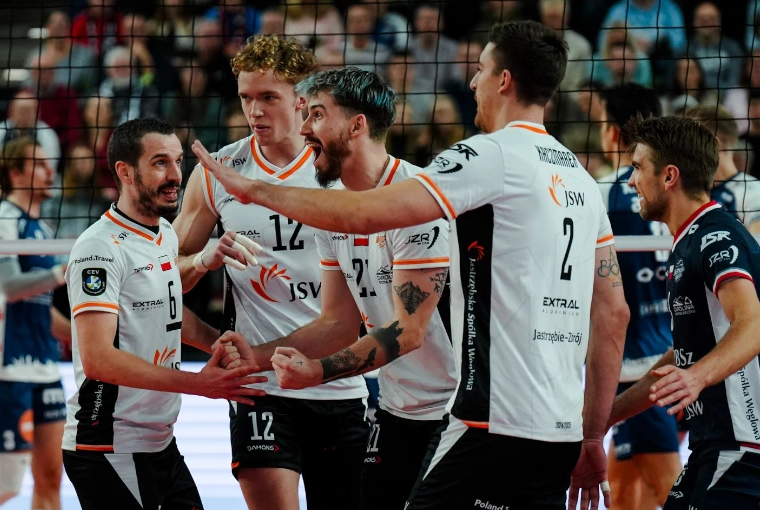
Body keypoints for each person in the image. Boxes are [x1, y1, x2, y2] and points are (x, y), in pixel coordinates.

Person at [195, 20, 630, 510]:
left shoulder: (487, 157)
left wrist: (255, 190)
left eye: (481, 69)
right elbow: (614, 313)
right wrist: (592, 434)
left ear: (504, 80)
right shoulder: (579, 177)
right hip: (554, 427)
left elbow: (368, 219)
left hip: (485, 415)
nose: (472, 82)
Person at [216, 67, 458, 510]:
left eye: (317, 115)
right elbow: (337, 324)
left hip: (453, 412)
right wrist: (257, 357)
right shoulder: (335, 213)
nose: (304, 128)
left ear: (357, 125)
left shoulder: (416, 201)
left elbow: (408, 332)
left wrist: (317, 371)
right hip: (397, 410)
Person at [173, 35, 370, 510]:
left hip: (336, 378)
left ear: (302, 100)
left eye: (268, 97)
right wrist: (202, 261)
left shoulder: (341, 169)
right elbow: (160, 277)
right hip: (259, 386)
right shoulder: (218, 170)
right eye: (246, 98)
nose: (254, 111)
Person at [60, 118, 267, 510]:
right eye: (160, 163)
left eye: (177, 161)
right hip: (109, 445)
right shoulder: (98, 249)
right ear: (125, 172)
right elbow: (98, 359)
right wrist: (199, 384)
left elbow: (167, 312)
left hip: (159, 442)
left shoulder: (164, 234)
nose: (175, 175)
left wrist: (222, 346)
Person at [609, 114, 760, 508]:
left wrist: (697, 377)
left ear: (669, 176)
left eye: (638, 168)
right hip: (712, 446)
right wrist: (603, 419)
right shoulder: (688, 241)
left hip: (743, 450)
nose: (631, 181)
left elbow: (754, 323)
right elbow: (684, 354)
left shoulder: (715, 236)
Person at [0, 137, 72, 510]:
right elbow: (11, 286)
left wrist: (85, 335)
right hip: (4, 368)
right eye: (39, 164)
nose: (50, 171)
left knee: (51, 479)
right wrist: (61, 272)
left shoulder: (43, 230)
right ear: (15, 173)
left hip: (44, 367)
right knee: (6, 485)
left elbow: (40, 309)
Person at [596, 84, 681, 510]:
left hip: (634, 367)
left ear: (612, 132)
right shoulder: (675, 188)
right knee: (623, 487)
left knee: (669, 485)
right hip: (675, 353)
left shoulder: (600, 193)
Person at [686, 105, 760, 234]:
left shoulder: (752, 192)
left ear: (713, 145)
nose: (681, 149)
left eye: (689, 142)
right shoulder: (685, 192)